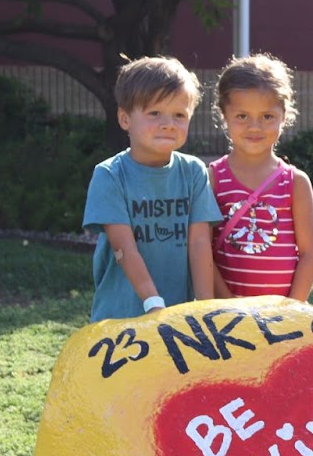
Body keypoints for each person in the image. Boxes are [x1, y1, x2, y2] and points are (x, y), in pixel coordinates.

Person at [82, 56, 221, 322]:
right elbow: (123, 246)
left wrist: (205, 308)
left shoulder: (193, 172)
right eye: (155, 113)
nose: (168, 123)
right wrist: (153, 303)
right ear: (125, 119)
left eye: (179, 115)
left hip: (179, 319)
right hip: (120, 318)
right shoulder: (110, 175)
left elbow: (200, 242)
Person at [208, 54, 313, 301]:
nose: (255, 127)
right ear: (224, 116)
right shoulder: (212, 178)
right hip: (227, 315)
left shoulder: (296, 183)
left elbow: (309, 254)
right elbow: (203, 252)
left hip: (281, 317)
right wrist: (228, 304)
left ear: (285, 114)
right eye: (242, 116)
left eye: (267, 116)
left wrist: (291, 308)